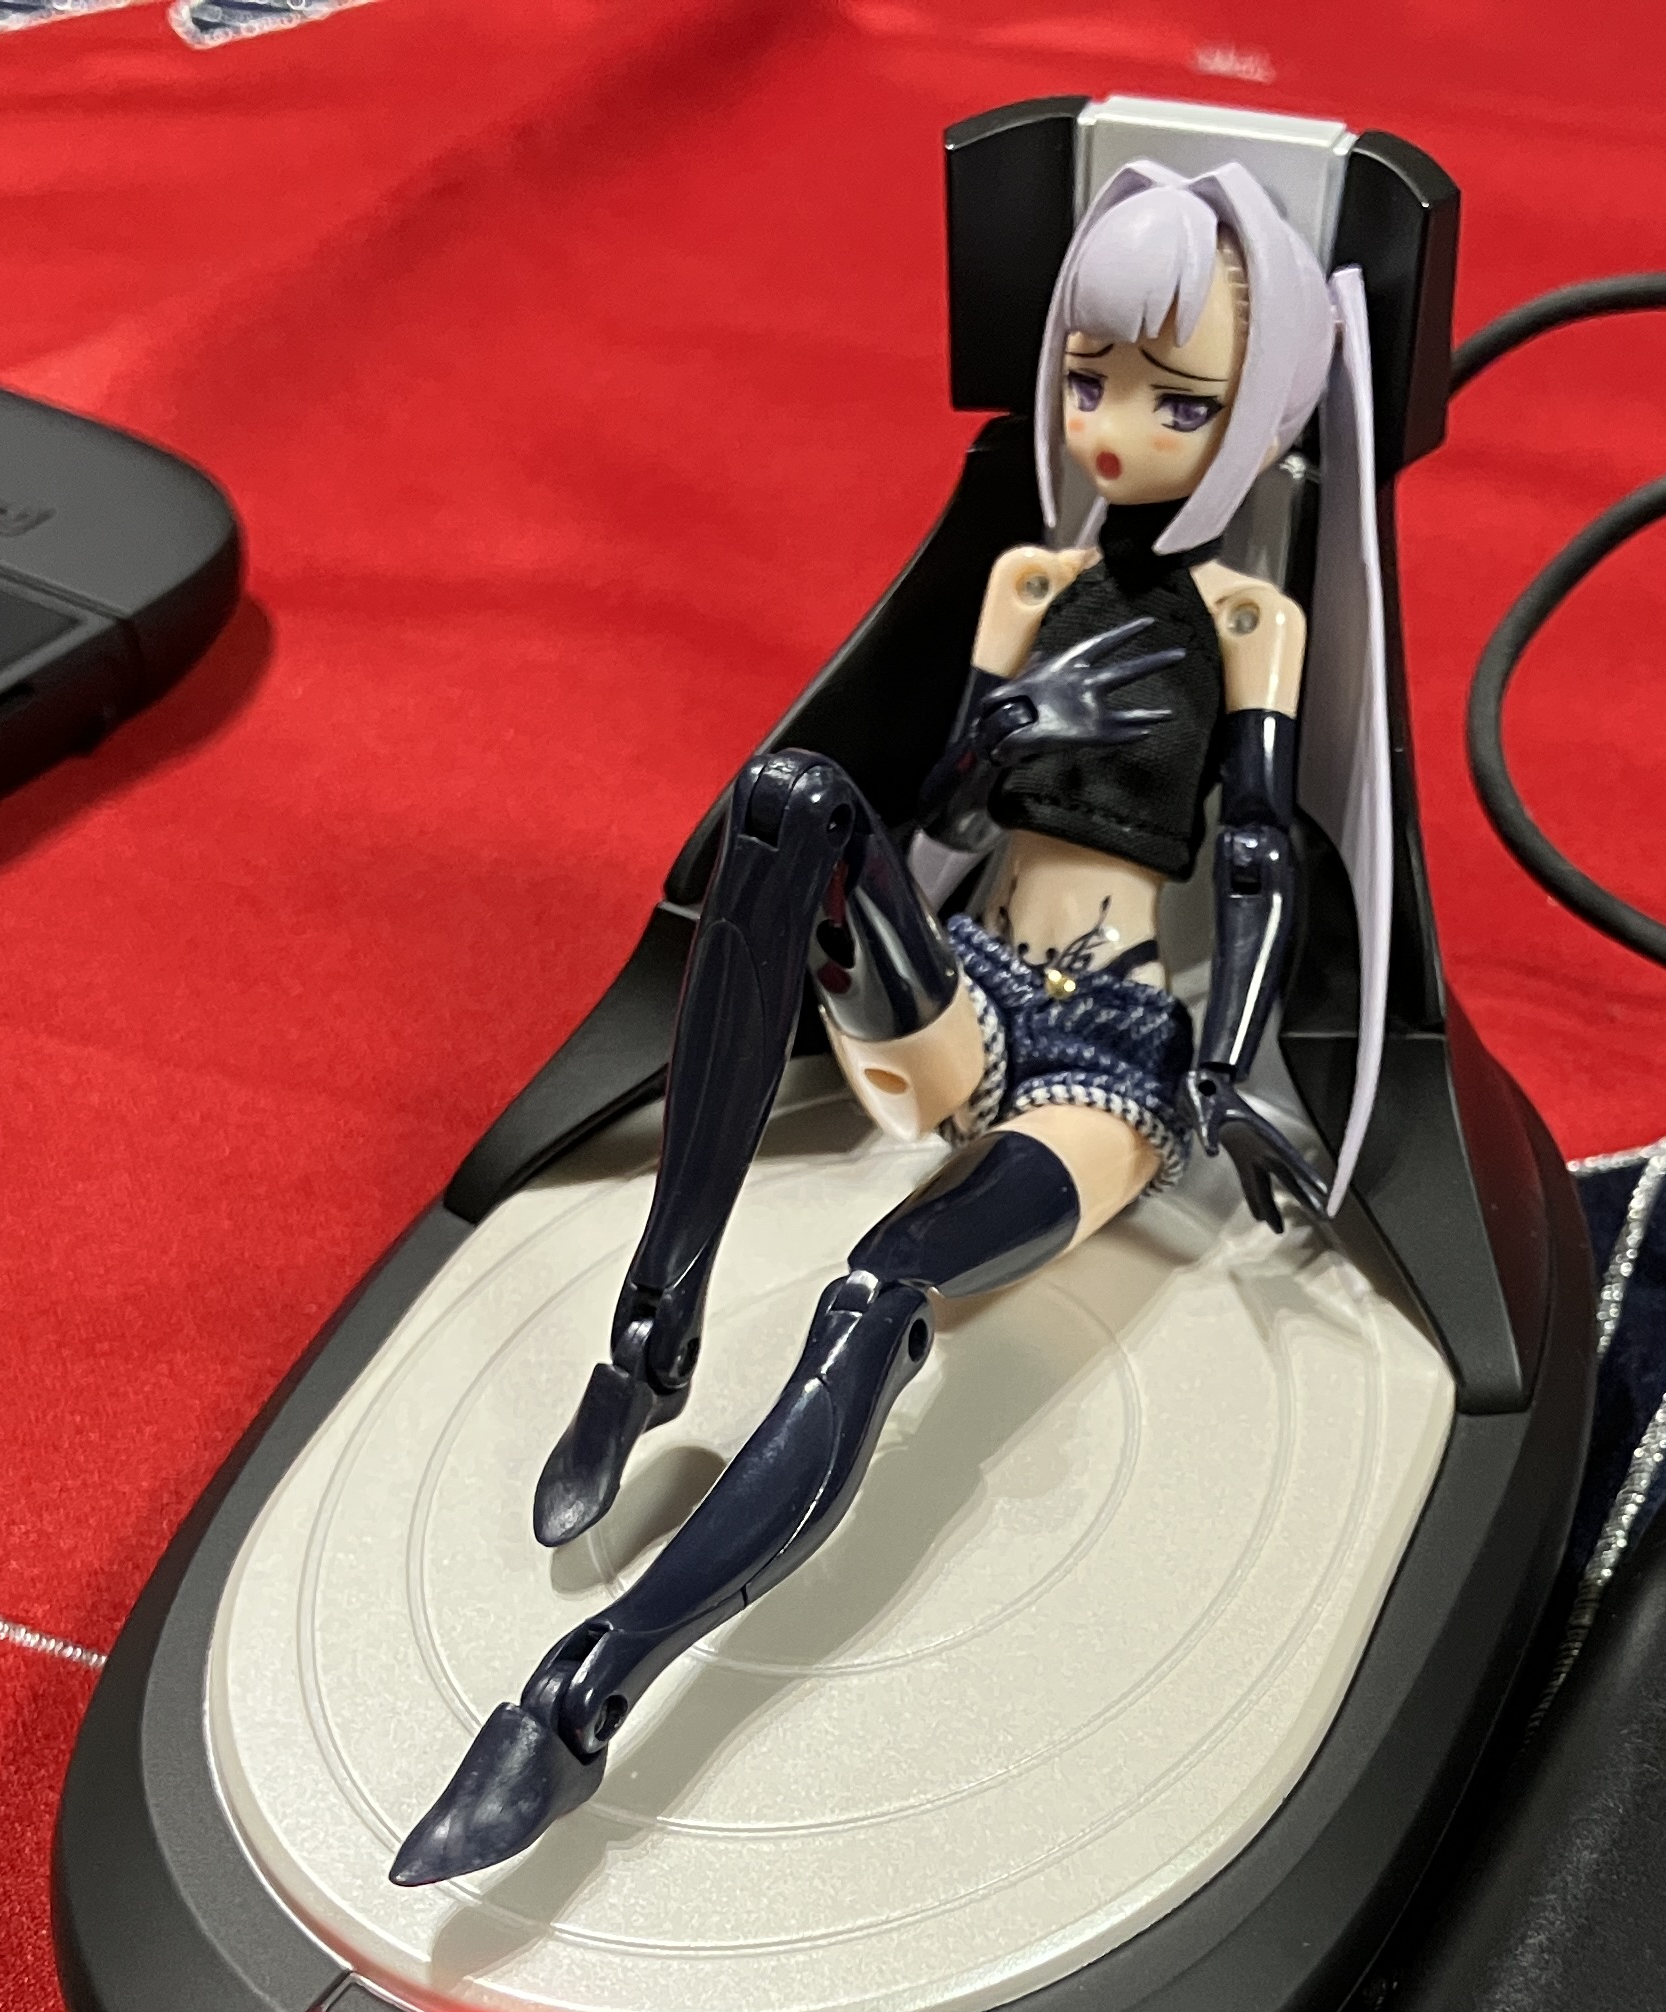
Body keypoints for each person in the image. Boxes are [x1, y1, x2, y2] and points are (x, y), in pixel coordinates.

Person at [390, 157, 1375, 1888]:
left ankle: (578, 1698)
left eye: (1177, 400)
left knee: (875, 1292)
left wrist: (1234, 1070)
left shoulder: (1248, 622)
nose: (1114, 429)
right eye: (1089, 381)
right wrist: (998, 737)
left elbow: (1260, 854)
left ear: (1263, 411)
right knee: (790, 797)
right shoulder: (1026, 585)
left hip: (1105, 1065)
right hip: (967, 994)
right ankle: (650, 1348)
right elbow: (941, 814)